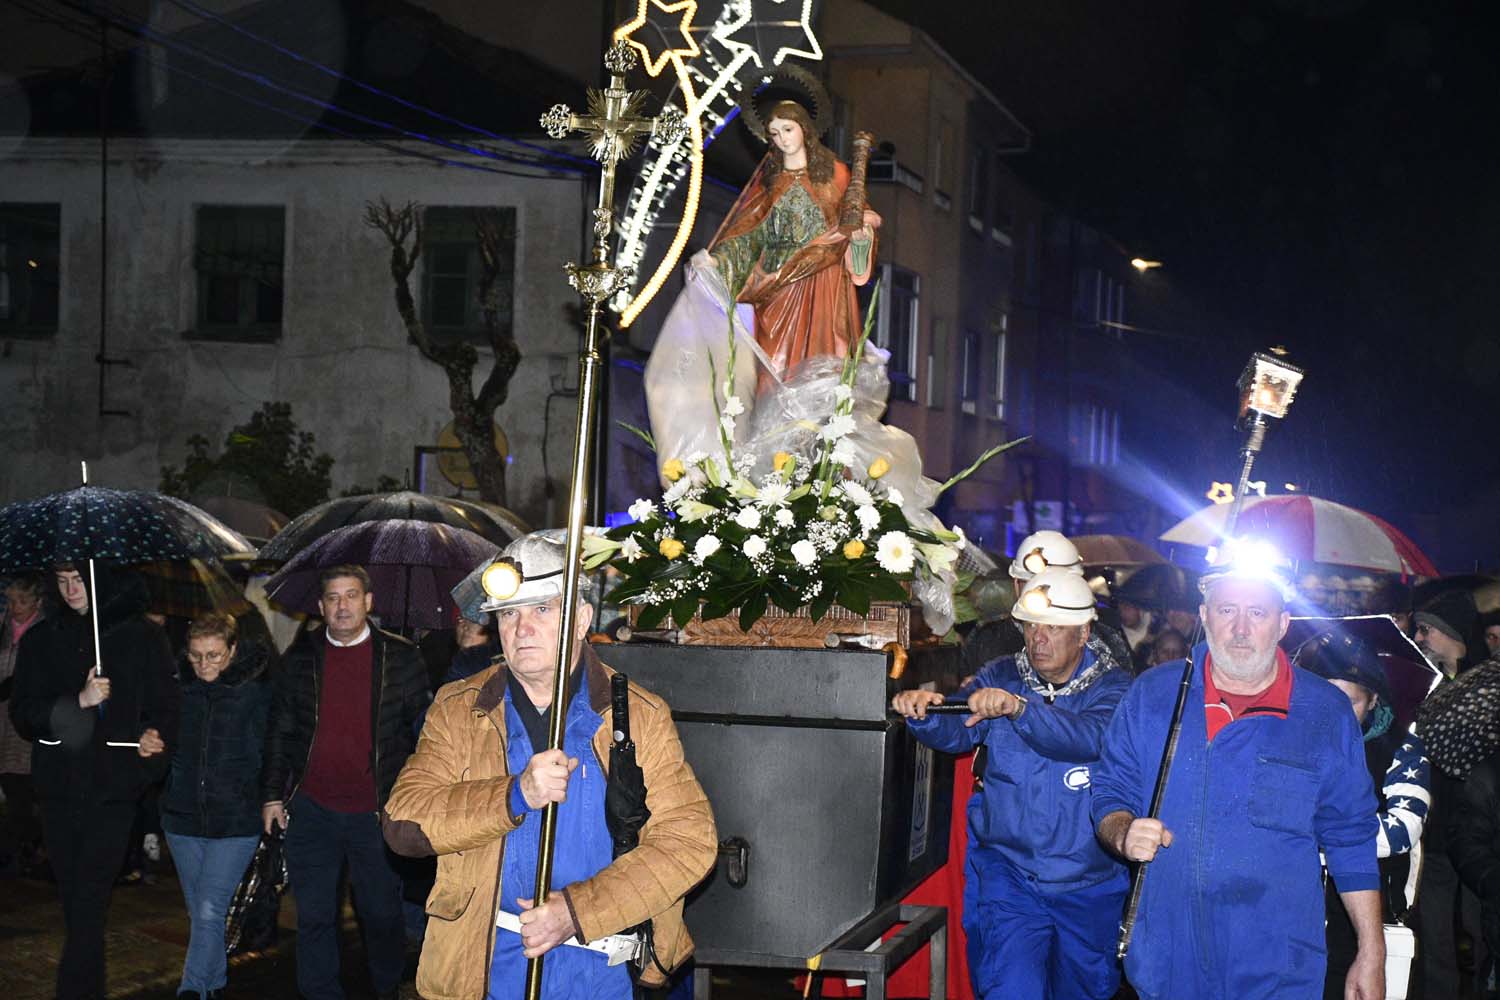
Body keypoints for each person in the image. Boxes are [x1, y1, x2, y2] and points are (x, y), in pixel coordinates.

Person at [382, 532, 717, 1000]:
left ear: (581, 619)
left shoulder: (638, 715)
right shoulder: (460, 709)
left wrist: (577, 911)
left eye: (543, 609)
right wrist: (513, 794)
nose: (522, 628)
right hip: (486, 968)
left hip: (601, 969)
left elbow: (689, 842)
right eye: (509, 613)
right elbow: (404, 823)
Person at [1092, 550, 1384, 1000]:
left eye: (1258, 612)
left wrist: (1371, 951)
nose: (1241, 629)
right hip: (1168, 962)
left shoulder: (1325, 712)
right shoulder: (1153, 695)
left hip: (1278, 969)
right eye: (1228, 610)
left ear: (1283, 624)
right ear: (1205, 616)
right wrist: (1122, 831)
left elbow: (1351, 836)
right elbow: (1109, 792)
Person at [893, 568, 1130, 998]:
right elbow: (960, 729)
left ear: (1083, 631)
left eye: (1054, 628)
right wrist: (924, 714)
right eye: (1031, 626)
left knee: (1083, 991)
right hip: (1012, 876)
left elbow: (1089, 738)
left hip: (1089, 884)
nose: (1039, 638)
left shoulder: (1115, 689)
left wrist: (1020, 710)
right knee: (1009, 987)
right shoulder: (1002, 674)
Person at [9, 564, 180, 1000]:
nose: (70, 591)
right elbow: (24, 713)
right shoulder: (41, 640)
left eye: (79, 580)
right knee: (76, 905)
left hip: (113, 791)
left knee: (88, 901)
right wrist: (79, 702)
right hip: (59, 789)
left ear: (101, 577)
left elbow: (165, 711)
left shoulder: (142, 638)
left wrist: (151, 745)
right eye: (62, 582)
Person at [259, 565, 429, 1000]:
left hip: (376, 812)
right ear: (321, 606)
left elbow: (423, 733)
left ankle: (385, 986)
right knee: (314, 916)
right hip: (312, 807)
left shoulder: (401, 657)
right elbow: (280, 728)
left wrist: (414, 797)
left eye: (351, 595)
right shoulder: (300, 657)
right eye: (333, 598)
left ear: (368, 601)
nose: (342, 606)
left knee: (381, 914)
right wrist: (272, 796)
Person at [705, 99, 881, 395]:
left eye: (788, 129)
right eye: (774, 133)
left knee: (823, 366)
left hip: (824, 280)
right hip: (777, 284)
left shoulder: (834, 175)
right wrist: (720, 261)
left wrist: (861, 239)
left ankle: (822, 434)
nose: (783, 138)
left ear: (805, 130)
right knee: (773, 370)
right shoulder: (770, 182)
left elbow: (854, 220)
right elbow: (748, 233)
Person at [1296, 630, 1430, 999]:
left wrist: (1316, 838)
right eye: (1325, 698)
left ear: (1373, 701)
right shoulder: (1288, 742)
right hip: (1295, 913)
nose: (1335, 713)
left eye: (1350, 702)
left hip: (1368, 916)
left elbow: (1404, 828)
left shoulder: (1401, 747)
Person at [160, 612, 271, 1000]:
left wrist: (266, 797)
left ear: (233, 649)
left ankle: (190, 989)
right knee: (201, 915)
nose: (204, 665)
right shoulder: (177, 691)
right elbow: (159, 739)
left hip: (235, 822)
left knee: (209, 911)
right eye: (195, 656)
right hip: (181, 820)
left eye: (214, 655)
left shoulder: (254, 692)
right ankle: (214, 985)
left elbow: (270, 753)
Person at [0, 571, 46, 874]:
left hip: (22, 719)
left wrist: (13, 686)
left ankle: (26, 846)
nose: (16, 606)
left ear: (37, 601)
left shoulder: (43, 632)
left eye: (23, 600)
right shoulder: (2, 629)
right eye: (12, 600)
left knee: (21, 784)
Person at [1414, 589, 1481, 678]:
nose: (1417, 638)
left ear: (1452, 632)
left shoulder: (1485, 677)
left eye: (1424, 629)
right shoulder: (1421, 681)